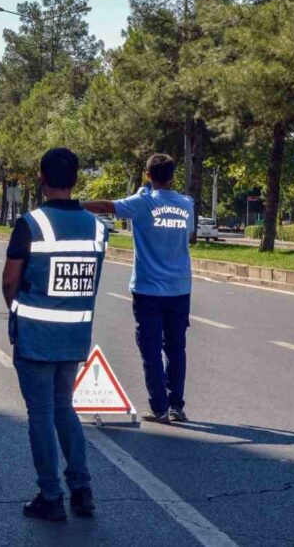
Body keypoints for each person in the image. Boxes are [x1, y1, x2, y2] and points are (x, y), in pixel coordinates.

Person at [2, 147, 107, 522]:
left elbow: (11, 280)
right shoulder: (98, 227)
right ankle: (81, 488)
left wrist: (17, 311)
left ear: (42, 179)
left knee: (41, 414)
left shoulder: (31, 223)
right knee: (65, 408)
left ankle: (50, 496)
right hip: (74, 336)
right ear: (76, 179)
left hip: (35, 336)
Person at [83, 154, 195, 424]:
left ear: (148, 175)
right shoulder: (187, 204)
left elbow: (106, 206)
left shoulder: (142, 203)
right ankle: (176, 405)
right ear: (172, 175)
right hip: (180, 288)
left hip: (148, 289)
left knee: (151, 348)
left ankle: (159, 407)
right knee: (176, 348)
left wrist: (74, 204)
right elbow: (187, 232)